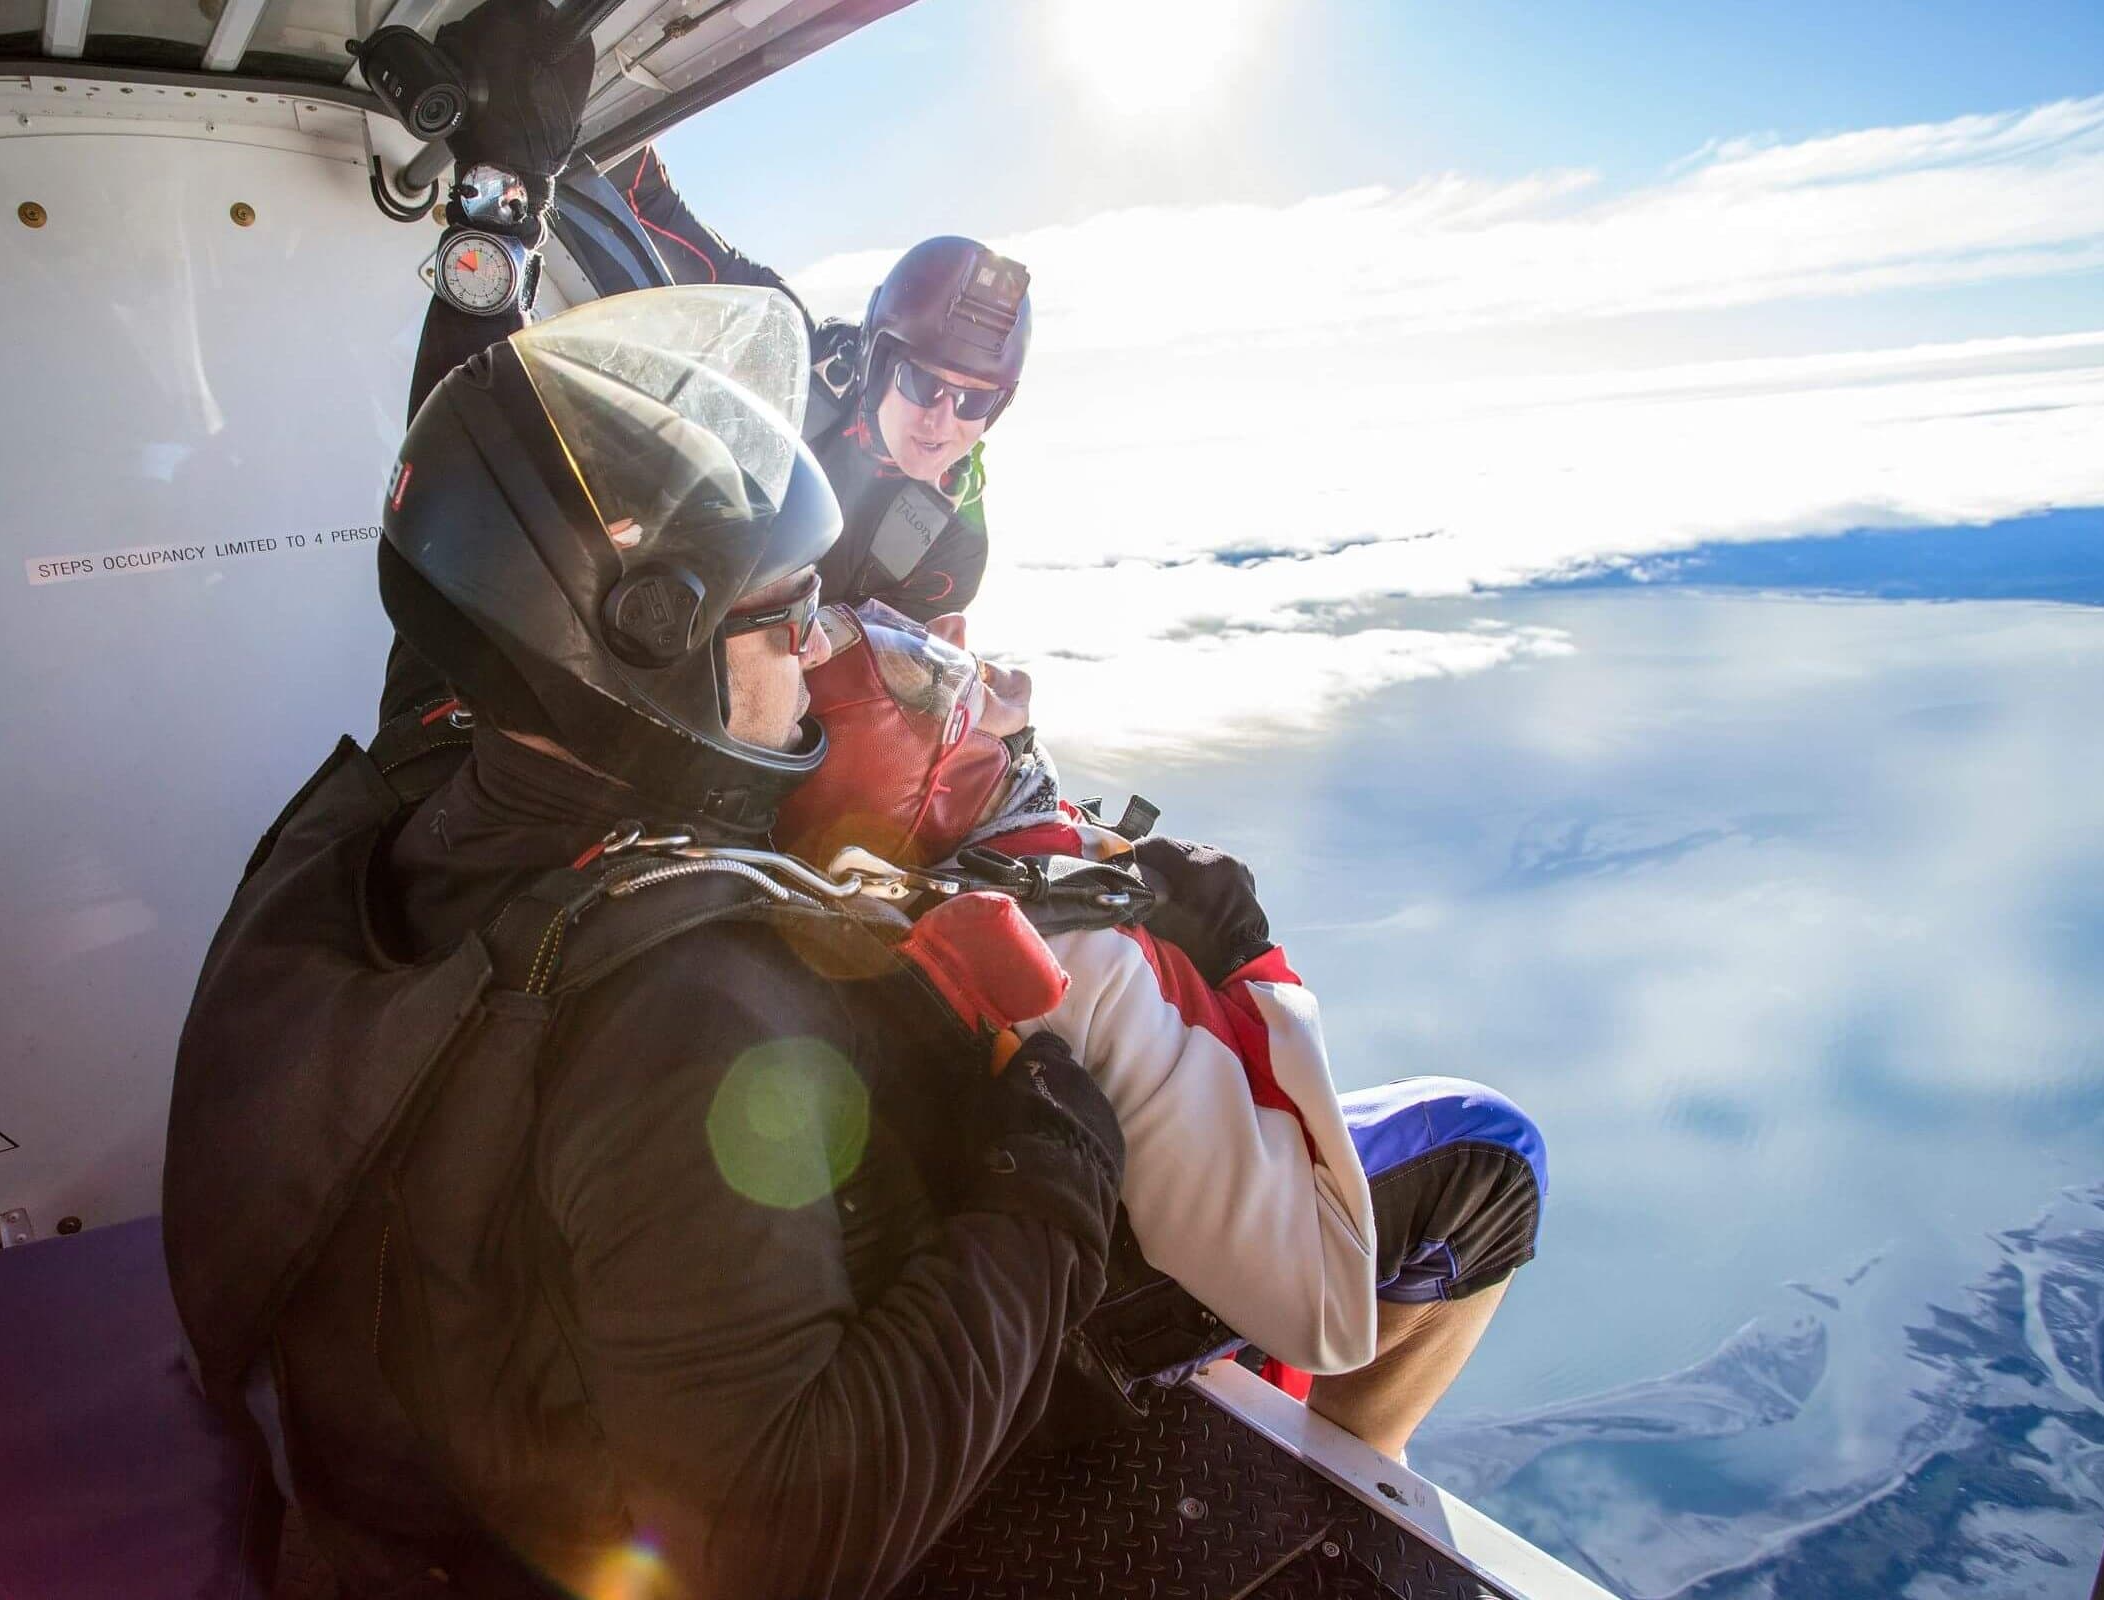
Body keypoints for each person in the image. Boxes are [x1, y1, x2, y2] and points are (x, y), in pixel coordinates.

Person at [164, 287, 1129, 1599]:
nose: (816, 655)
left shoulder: (382, 799)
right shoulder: (690, 1010)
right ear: (649, 651)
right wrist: (1055, 1181)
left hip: (362, 1492)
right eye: (785, 616)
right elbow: (778, 1551)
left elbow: (488, 539)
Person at [772, 601, 1550, 1458]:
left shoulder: (878, 897)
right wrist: (1250, 966)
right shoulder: (1079, 952)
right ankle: (1358, 1471)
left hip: (997, 1283)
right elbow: (1315, 1308)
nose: (998, 674)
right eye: (939, 682)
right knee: (1494, 1155)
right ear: (940, 774)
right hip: (1074, 1354)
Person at [622, 147, 1025, 620]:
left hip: (749, 680)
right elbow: (646, 200)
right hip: (644, 587)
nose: (942, 419)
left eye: (975, 399)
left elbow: (885, 684)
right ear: (878, 361)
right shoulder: (782, 348)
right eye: (922, 382)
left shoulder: (952, 547)